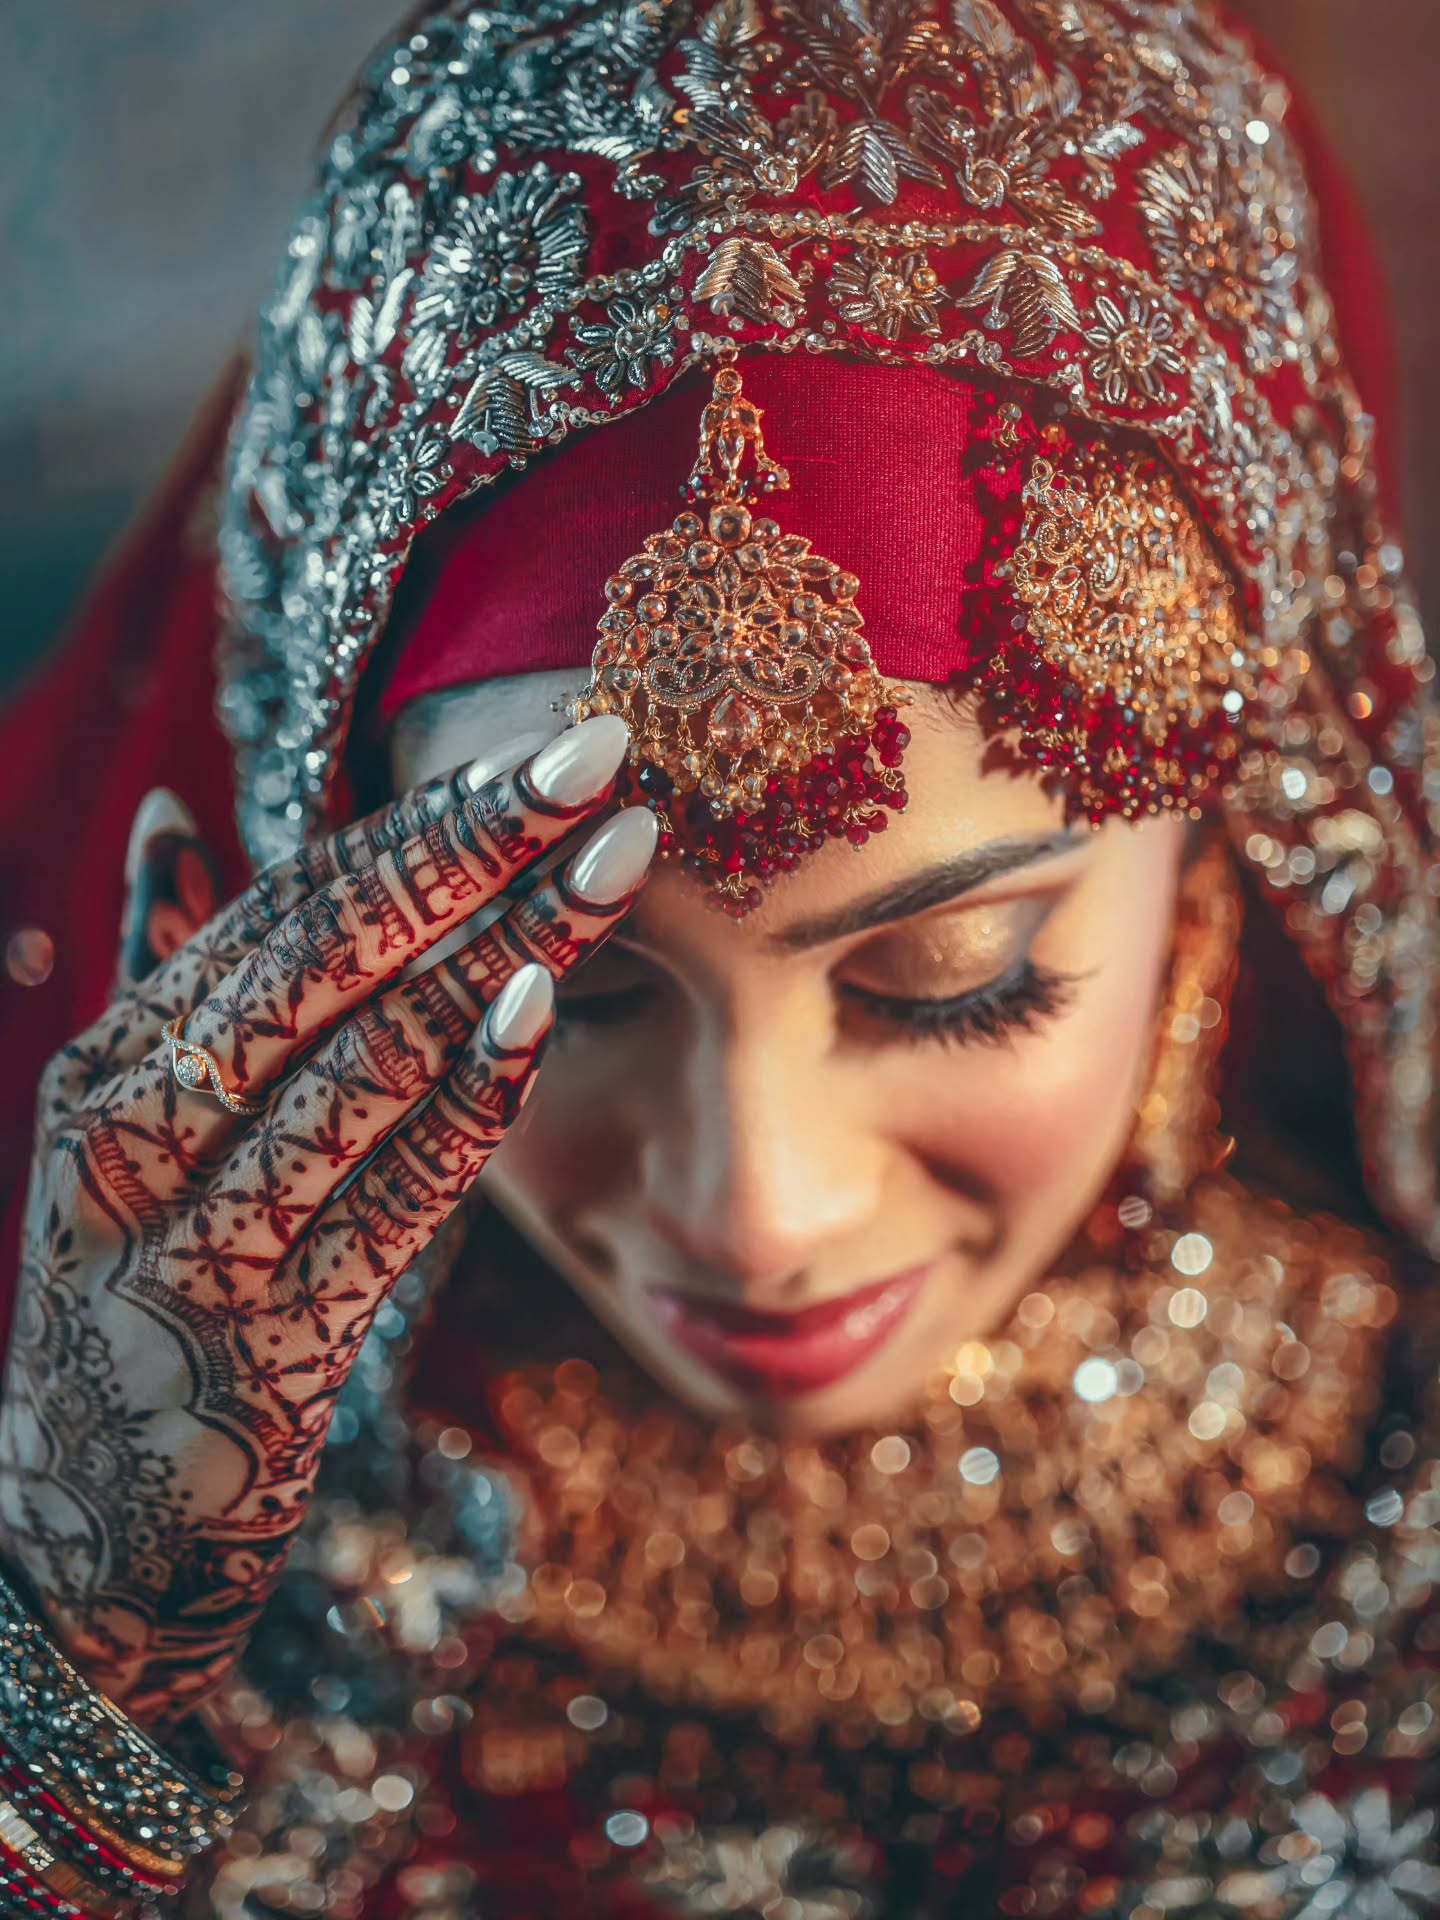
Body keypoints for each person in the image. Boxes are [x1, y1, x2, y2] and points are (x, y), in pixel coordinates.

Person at [0, 1, 1436, 1914]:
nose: (754, 1216)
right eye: (567, 995)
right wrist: (77, 1682)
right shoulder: (153, 1522)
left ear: (1227, 858)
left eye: (957, 975)